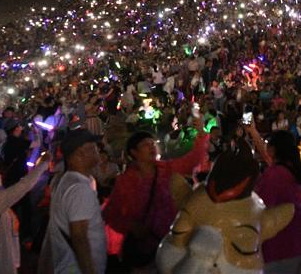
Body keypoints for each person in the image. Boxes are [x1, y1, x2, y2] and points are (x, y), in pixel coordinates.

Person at [102, 117, 209, 267]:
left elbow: (192, 161)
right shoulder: (125, 181)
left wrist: (201, 133)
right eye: (145, 145)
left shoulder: (165, 169)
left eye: (153, 143)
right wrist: (132, 226)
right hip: (143, 249)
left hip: (170, 243)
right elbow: (110, 213)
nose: (151, 147)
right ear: (134, 152)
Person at [253, 129, 301, 273]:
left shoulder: (274, 174)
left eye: (268, 144)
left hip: (280, 247)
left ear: (273, 149)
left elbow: (261, 207)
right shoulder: (294, 170)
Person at [48, 129, 106, 274]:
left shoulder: (68, 180)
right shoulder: (79, 189)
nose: (98, 150)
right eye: (93, 147)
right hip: (75, 268)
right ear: (80, 153)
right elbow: (79, 236)